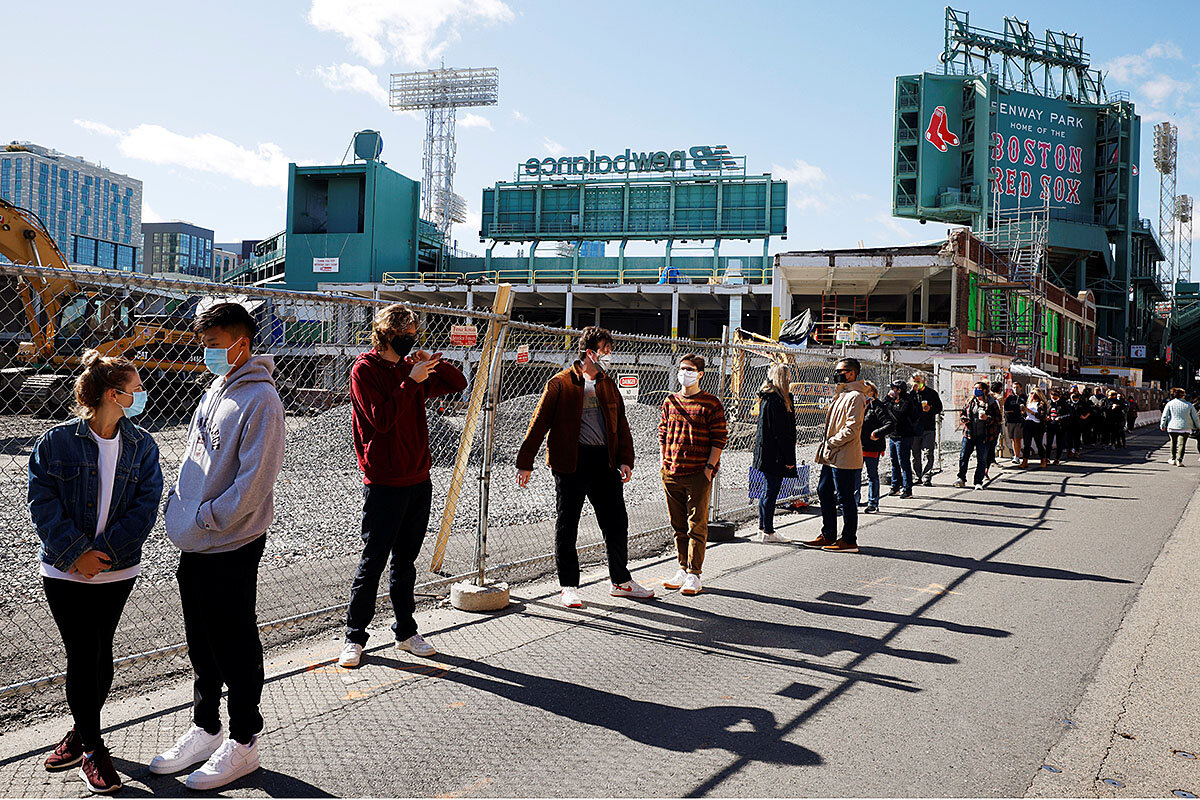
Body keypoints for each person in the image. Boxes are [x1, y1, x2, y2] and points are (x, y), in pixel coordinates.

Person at [153, 302, 286, 790]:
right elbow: (195, 456)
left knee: (234, 642)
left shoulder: (262, 401)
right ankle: (206, 727)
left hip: (231, 542)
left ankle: (244, 740)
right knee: (201, 642)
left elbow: (255, 482)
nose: (206, 353)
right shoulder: (215, 389)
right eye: (204, 344)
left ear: (241, 344)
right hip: (196, 540)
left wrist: (207, 517)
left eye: (213, 345)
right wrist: (180, 508)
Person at [28, 352, 162, 794]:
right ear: (113, 395)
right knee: (82, 654)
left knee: (99, 652)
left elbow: (146, 507)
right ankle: (92, 747)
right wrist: (75, 554)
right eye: (136, 389)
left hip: (117, 569)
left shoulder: (143, 445)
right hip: (64, 570)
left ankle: (79, 732)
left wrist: (101, 554)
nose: (142, 394)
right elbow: (41, 502)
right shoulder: (55, 442)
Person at [338, 303, 467, 670]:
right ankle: (354, 636)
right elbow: (380, 420)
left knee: (405, 562)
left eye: (415, 331)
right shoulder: (366, 370)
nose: (412, 336)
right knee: (373, 560)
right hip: (383, 481)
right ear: (388, 333)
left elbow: (458, 384)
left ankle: (406, 631)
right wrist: (410, 380)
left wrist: (433, 364)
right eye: (407, 331)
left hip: (418, 479)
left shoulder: (409, 368)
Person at [516, 326, 654, 607]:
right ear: (590, 352)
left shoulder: (608, 383)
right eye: (606, 350)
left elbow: (621, 425)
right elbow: (539, 422)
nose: (610, 355)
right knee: (568, 525)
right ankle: (568, 586)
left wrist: (626, 458)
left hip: (604, 462)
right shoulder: (560, 383)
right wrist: (525, 462)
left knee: (616, 522)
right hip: (571, 463)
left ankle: (621, 581)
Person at [658, 354, 728, 595]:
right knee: (678, 525)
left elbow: (719, 438)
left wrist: (709, 468)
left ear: (700, 374)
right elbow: (663, 434)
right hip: (671, 472)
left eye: (689, 369)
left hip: (698, 473)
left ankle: (694, 574)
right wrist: (663, 464)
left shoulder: (711, 403)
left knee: (696, 525)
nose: (684, 373)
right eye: (681, 369)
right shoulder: (670, 402)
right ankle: (682, 567)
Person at [802, 358, 867, 553]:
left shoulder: (855, 396)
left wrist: (832, 442)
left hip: (844, 456)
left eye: (841, 371)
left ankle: (849, 539)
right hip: (832, 455)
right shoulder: (843, 393)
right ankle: (828, 534)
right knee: (824, 491)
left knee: (845, 497)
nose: (837, 374)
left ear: (852, 373)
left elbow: (852, 429)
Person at [753, 363, 797, 543]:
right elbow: (782, 433)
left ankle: (763, 528)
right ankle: (769, 531)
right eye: (787, 377)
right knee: (771, 492)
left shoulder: (768, 398)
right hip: (776, 454)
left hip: (767, 453)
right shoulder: (777, 400)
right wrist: (788, 458)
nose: (790, 380)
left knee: (766, 492)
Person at [954, 380, 1001, 489]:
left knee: (982, 459)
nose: (976, 391)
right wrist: (964, 419)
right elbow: (963, 413)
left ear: (984, 390)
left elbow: (998, 418)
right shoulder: (970, 401)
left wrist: (987, 419)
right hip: (969, 434)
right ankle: (961, 478)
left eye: (978, 388)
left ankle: (978, 481)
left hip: (984, 436)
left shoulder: (991, 402)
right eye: (975, 388)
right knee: (963, 457)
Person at [857, 380, 894, 513]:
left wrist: (877, 433)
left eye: (865, 391)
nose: (862, 393)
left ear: (872, 392)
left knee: (872, 475)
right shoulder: (858, 404)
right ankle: (854, 501)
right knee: (855, 474)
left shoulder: (878, 406)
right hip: (857, 446)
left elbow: (889, 424)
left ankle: (873, 503)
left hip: (872, 446)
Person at [883, 380, 920, 498]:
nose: (891, 391)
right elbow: (883, 407)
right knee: (894, 462)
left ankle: (907, 489)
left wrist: (890, 405)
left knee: (904, 463)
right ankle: (895, 486)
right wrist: (888, 398)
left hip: (904, 436)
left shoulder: (907, 401)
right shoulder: (892, 400)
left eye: (893, 388)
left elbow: (900, 415)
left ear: (899, 390)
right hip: (893, 435)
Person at [909, 371, 943, 487]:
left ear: (924, 381)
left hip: (928, 427)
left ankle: (926, 477)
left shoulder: (931, 393)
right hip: (915, 428)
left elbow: (939, 407)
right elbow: (907, 406)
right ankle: (917, 476)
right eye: (915, 381)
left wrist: (930, 409)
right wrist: (913, 392)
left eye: (918, 381)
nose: (916, 383)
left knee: (928, 453)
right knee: (915, 454)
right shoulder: (911, 394)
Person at [1161, 388, 1199, 466]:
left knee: (1173, 443)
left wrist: (1163, 425)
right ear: (1183, 396)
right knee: (1182, 445)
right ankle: (1179, 460)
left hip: (1172, 426)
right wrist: (1197, 426)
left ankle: (1173, 459)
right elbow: (1195, 417)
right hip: (1185, 427)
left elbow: (1165, 416)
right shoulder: (1189, 405)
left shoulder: (1170, 404)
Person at [1043, 388, 1072, 465]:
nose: (1054, 398)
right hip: (1050, 425)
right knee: (1049, 443)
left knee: (1059, 443)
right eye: (1053, 396)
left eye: (1056, 397)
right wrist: (1047, 417)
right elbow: (1044, 412)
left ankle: (1057, 458)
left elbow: (1068, 414)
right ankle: (1047, 458)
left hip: (1060, 426)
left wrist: (1060, 418)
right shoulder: (1048, 403)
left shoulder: (1064, 403)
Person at [1021, 387, 1048, 469]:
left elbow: (1041, 416)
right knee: (1027, 444)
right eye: (1031, 393)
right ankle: (1025, 461)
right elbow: (1026, 415)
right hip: (1028, 423)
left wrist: (1030, 411)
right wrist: (1024, 412)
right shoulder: (1029, 403)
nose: (1032, 395)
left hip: (1037, 425)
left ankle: (1043, 460)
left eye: (1034, 394)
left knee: (1039, 443)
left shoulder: (1041, 404)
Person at [1003, 382, 1026, 464]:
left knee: (1017, 438)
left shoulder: (1024, 398)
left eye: (1017, 387)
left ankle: (1017, 456)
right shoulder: (1010, 398)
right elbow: (1006, 409)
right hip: (1010, 421)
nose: (1015, 389)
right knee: (1013, 439)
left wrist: (1018, 411)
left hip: (1019, 421)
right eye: (1014, 387)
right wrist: (1014, 410)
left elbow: (1024, 409)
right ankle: (1015, 454)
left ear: (1021, 388)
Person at [987, 382, 1006, 477]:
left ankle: (990, 459)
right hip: (996, 422)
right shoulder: (999, 398)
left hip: (991, 422)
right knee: (993, 442)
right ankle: (991, 459)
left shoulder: (989, 396)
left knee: (991, 442)